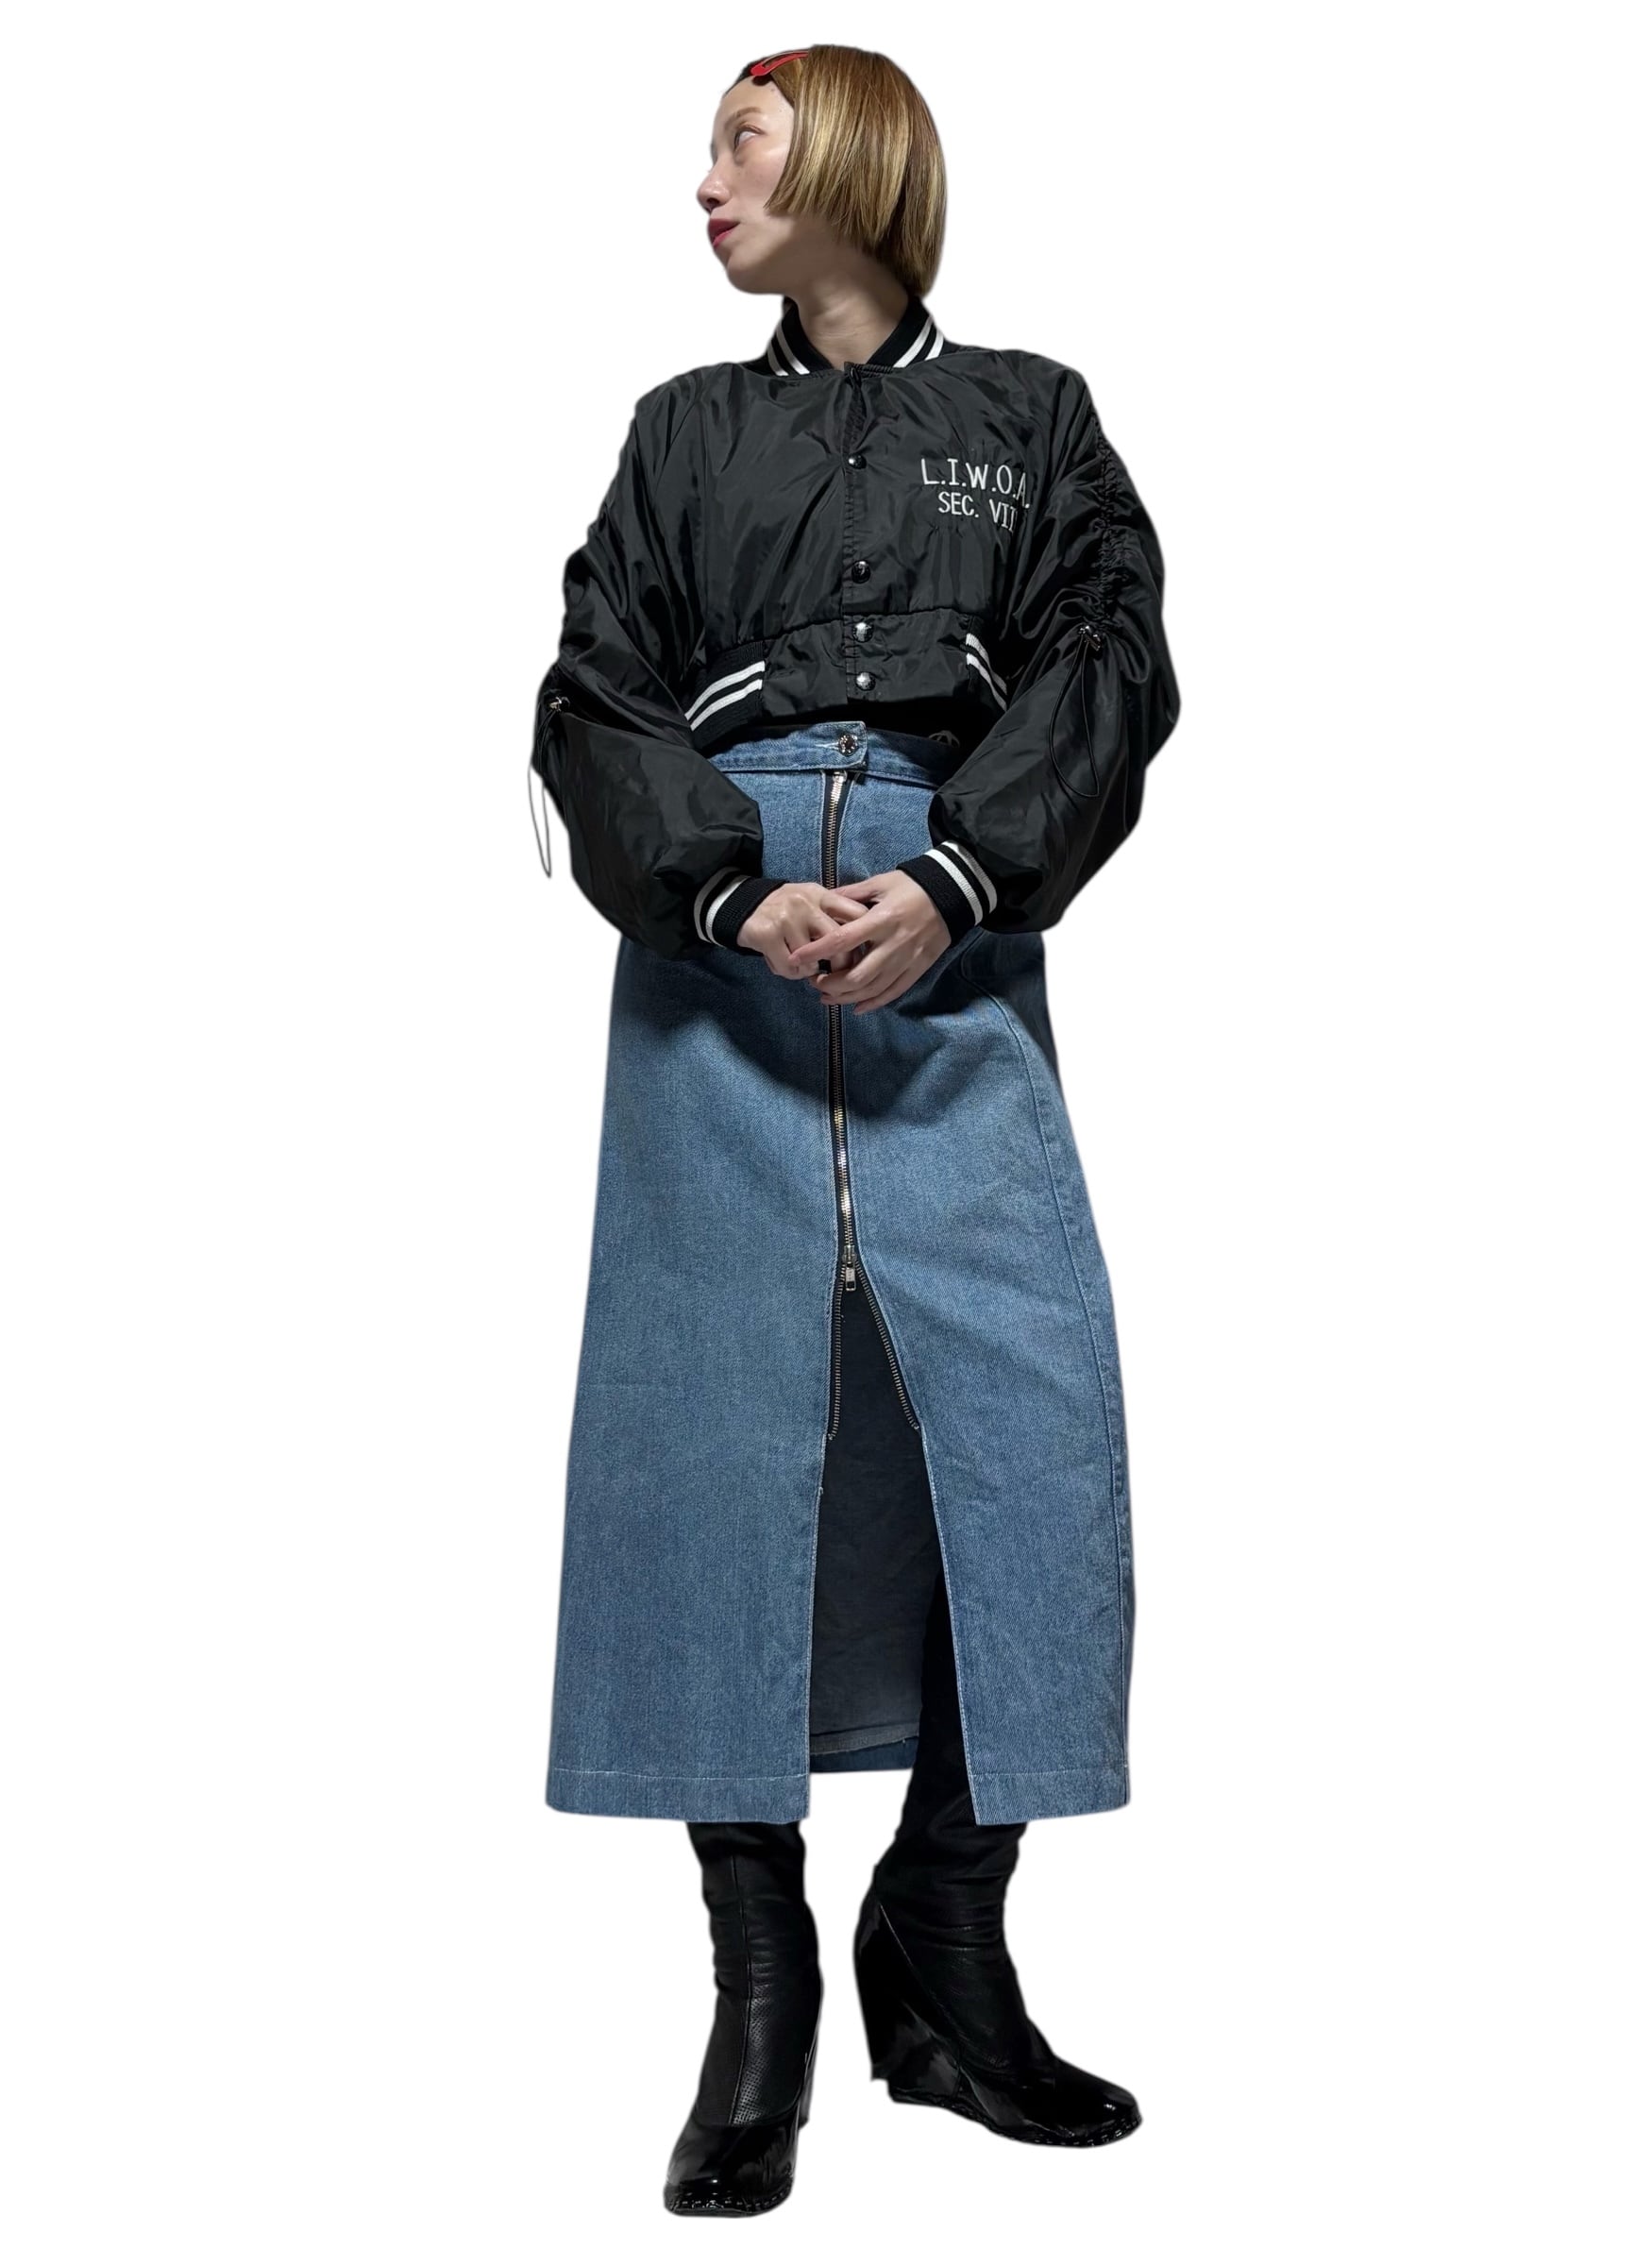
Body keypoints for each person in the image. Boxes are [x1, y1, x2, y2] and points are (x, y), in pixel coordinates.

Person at [528, 45, 1181, 2216]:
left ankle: (945, 1934)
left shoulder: (1032, 417)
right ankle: (762, 1985)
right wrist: (721, 888)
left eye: (744, 137)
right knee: (710, 1429)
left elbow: (1110, 658)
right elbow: (594, 688)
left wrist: (963, 875)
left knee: (1032, 1417)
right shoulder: (679, 433)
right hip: (718, 941)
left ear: (851, 158)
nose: (706, 179)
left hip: (950, 924)